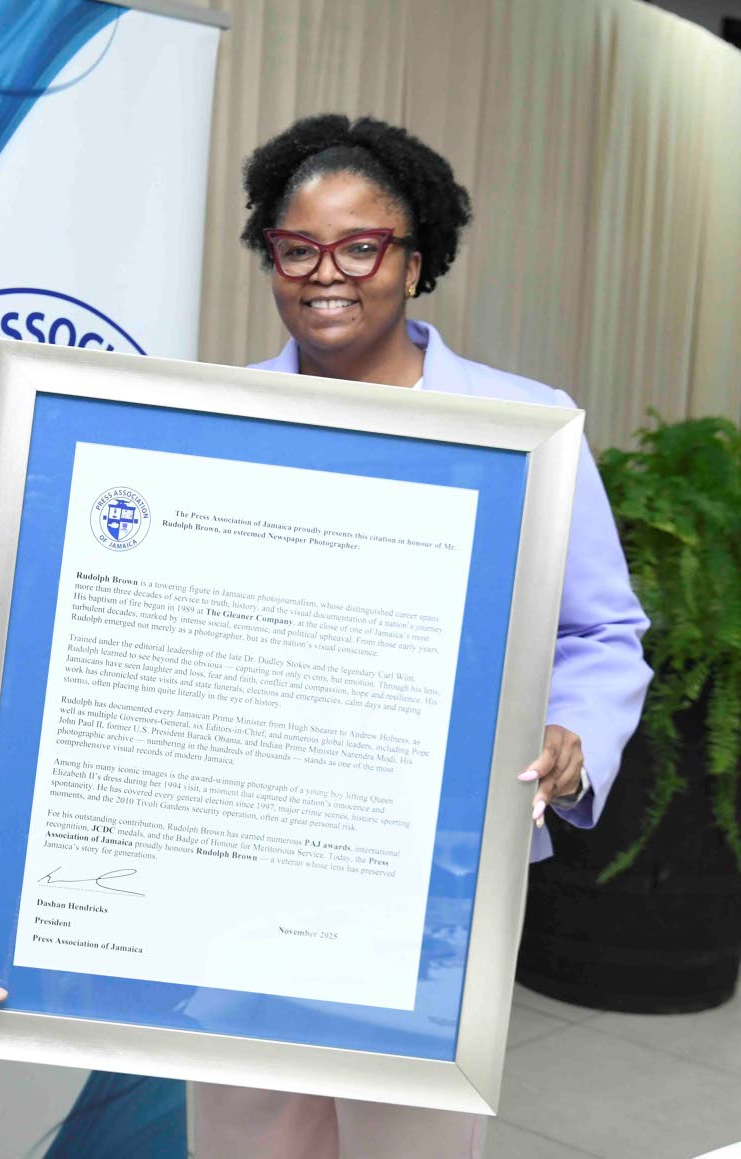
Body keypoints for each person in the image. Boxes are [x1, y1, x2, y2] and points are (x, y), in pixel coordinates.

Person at [192, 114, 652, 1159]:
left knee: (413, 1142)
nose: (327, 274)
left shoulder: (526, 427)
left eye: (362, 247)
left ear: (418, 257)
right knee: (243, 1136)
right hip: (242, 861)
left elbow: (604, 630)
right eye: (297, 247)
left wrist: (573, 739)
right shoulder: (212, 421)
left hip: (431, 876)